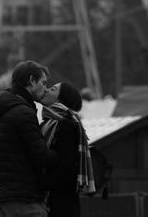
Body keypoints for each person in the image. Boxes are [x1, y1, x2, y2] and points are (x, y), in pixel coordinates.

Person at [0, 60, 58, 217]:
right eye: (43, 83)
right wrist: (61, 155)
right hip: (24, 199)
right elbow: (40, 155)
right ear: (31, 80)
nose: (45, 88)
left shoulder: (4, 110)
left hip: (6, 197)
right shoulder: (23, 112)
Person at [40, 82, 95, 217]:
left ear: (60, 100)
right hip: (55, 200)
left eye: (52, 89)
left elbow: (66, 168)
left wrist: (40, 184)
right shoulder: (49, 123)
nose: (46, 90)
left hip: (61, 204)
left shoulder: (66, 126)